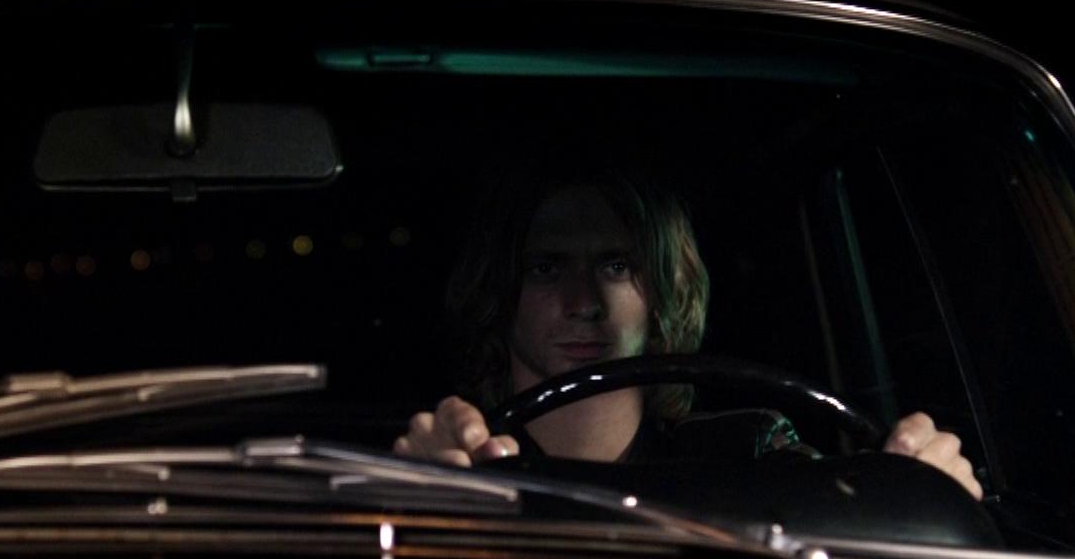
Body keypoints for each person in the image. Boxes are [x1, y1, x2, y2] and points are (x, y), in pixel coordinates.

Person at [393, 166, 984, 500]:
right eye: (547, 268)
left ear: (664, 292)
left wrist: (920, 491)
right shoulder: (470, 463)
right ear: (499, 291)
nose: (585, 303)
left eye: (616, 266)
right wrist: (415, 492)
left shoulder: (747, 454)